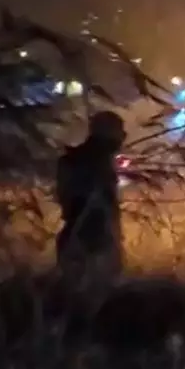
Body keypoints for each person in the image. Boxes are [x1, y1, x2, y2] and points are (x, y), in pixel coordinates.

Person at [54, 110, 128, 288]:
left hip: (71, 238)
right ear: (108, 133)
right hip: (96, 243)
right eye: (120, 131)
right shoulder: (100, 166)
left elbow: (63, 198)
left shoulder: (69, 161)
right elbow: (106, 210)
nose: (124, 137)